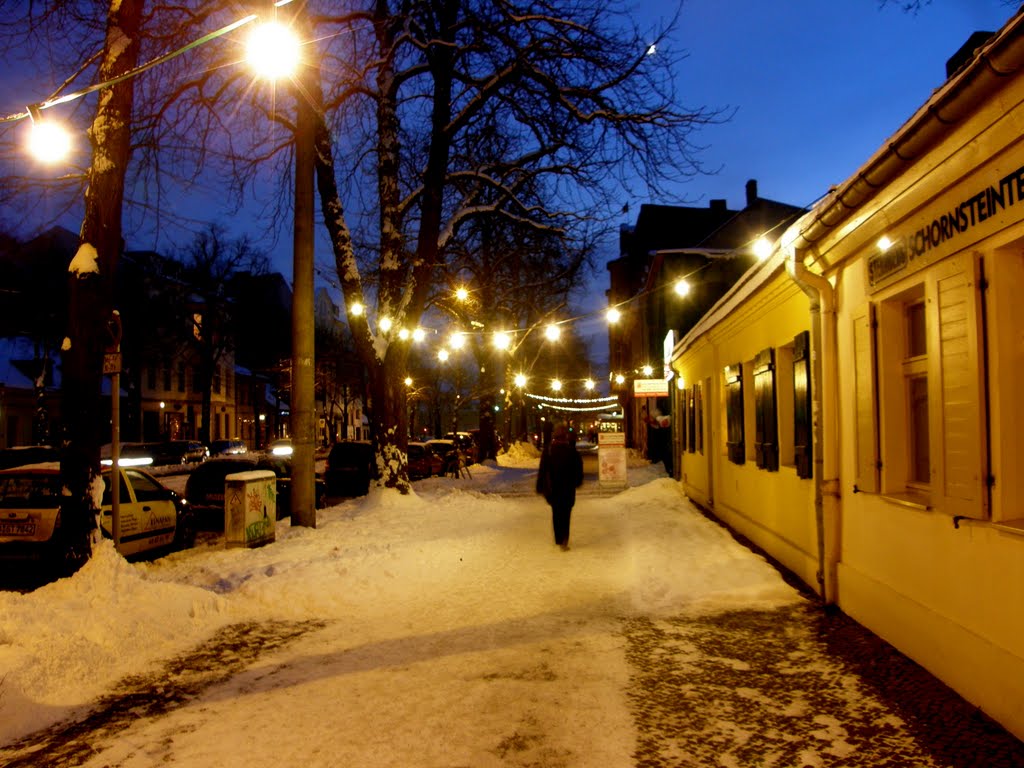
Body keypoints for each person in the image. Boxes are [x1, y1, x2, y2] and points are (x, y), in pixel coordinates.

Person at [536, 421, 584, 551]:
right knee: (566, 514)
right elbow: (578, 469)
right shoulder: (572, 451)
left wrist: (540, 486)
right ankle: (564, 539)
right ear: (565, 437)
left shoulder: (549, 451)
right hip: (568, 488)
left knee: (556, 513)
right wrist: (577, 481)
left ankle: (559, 538)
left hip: (554, 488)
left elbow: (543, 469)